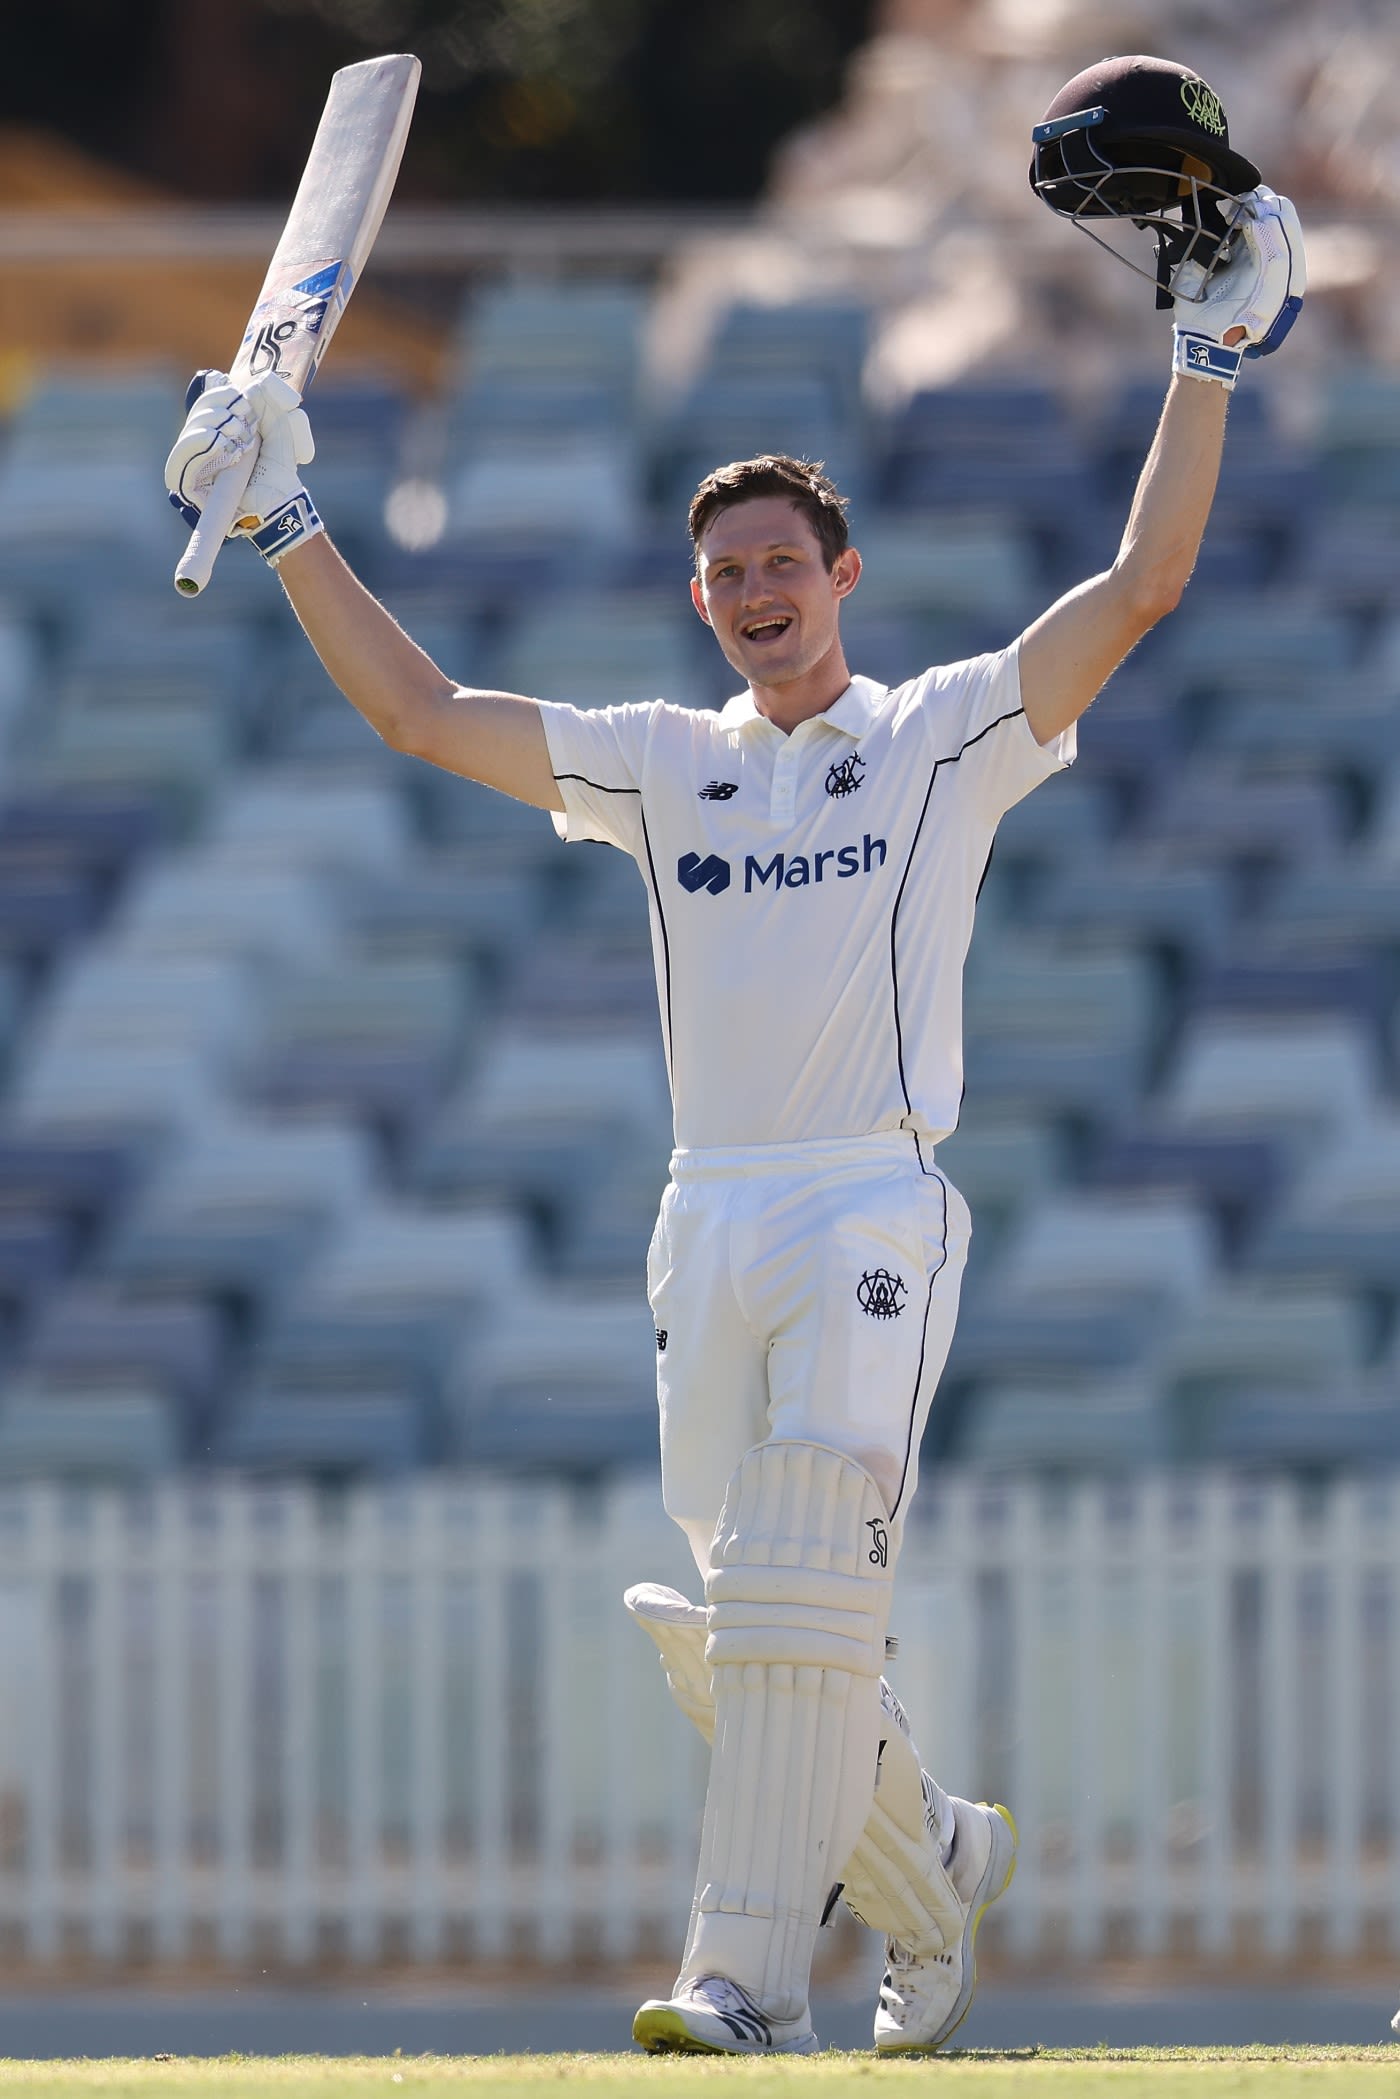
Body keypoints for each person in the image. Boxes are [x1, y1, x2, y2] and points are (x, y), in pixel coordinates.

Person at [164, 75, 1303, 2052]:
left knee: (786, 1592)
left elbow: (1136, 594)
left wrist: (1204, 361)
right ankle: (930, 1862)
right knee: (763, 1629)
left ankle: (740, 1982)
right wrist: (285, 521)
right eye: (726, 572)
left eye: (785, 562)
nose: (756, 591)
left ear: (839, 576)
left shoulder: (941, 734)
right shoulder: (658, 759)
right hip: (711, 1218)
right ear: (701, 598)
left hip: (870, 1190)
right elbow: (427, 714)